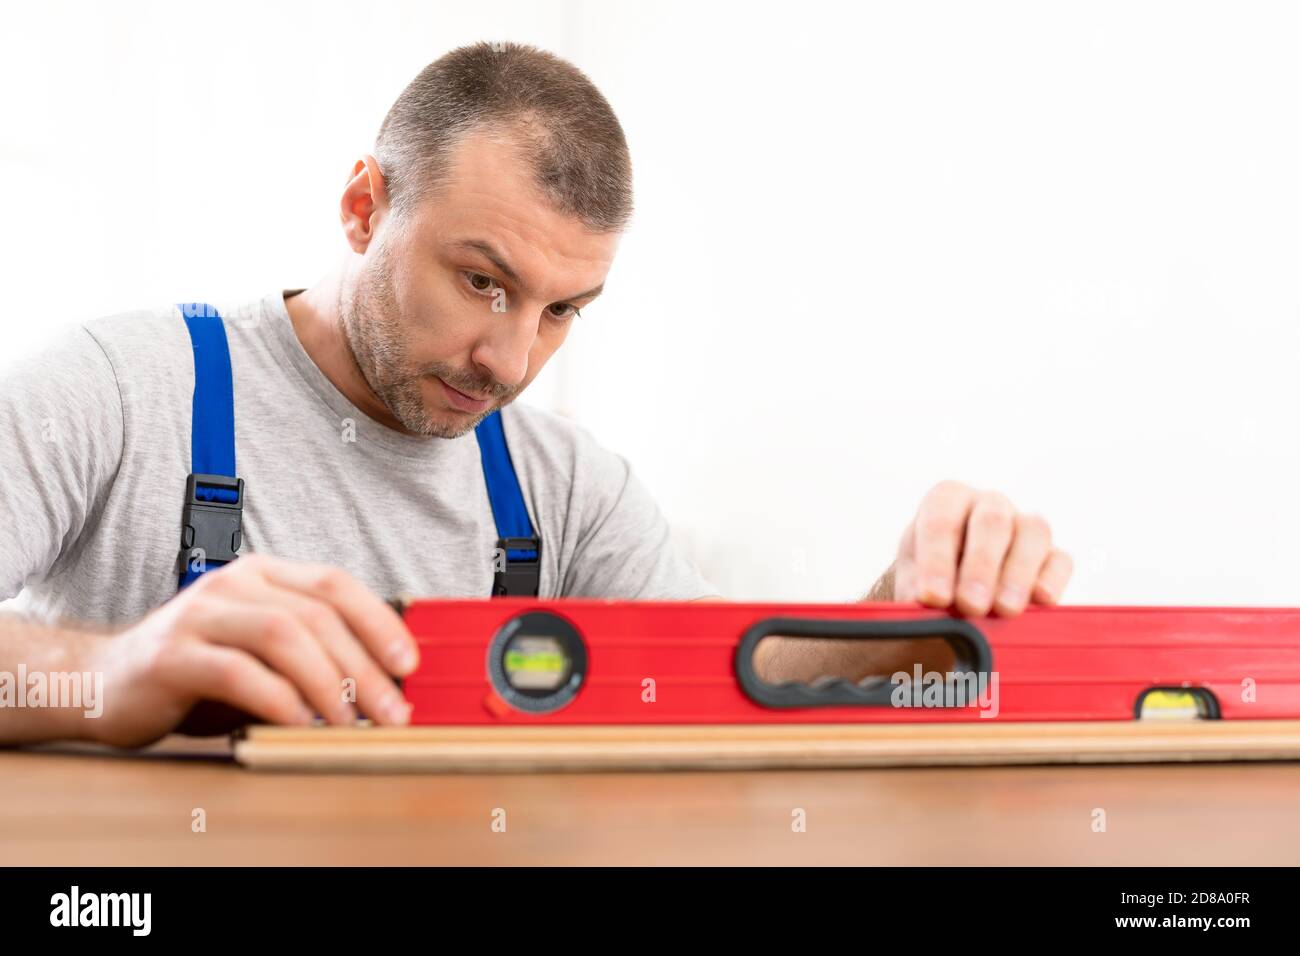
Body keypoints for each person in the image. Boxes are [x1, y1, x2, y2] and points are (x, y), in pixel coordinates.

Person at [0, 42, 1071, 747]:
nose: (509, 363)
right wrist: (103, 669)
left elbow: (735, 683)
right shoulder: (117, 389)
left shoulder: (567, 490)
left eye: (563, 310)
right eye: (483, 281)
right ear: (364, 206)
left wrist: (909, 610)